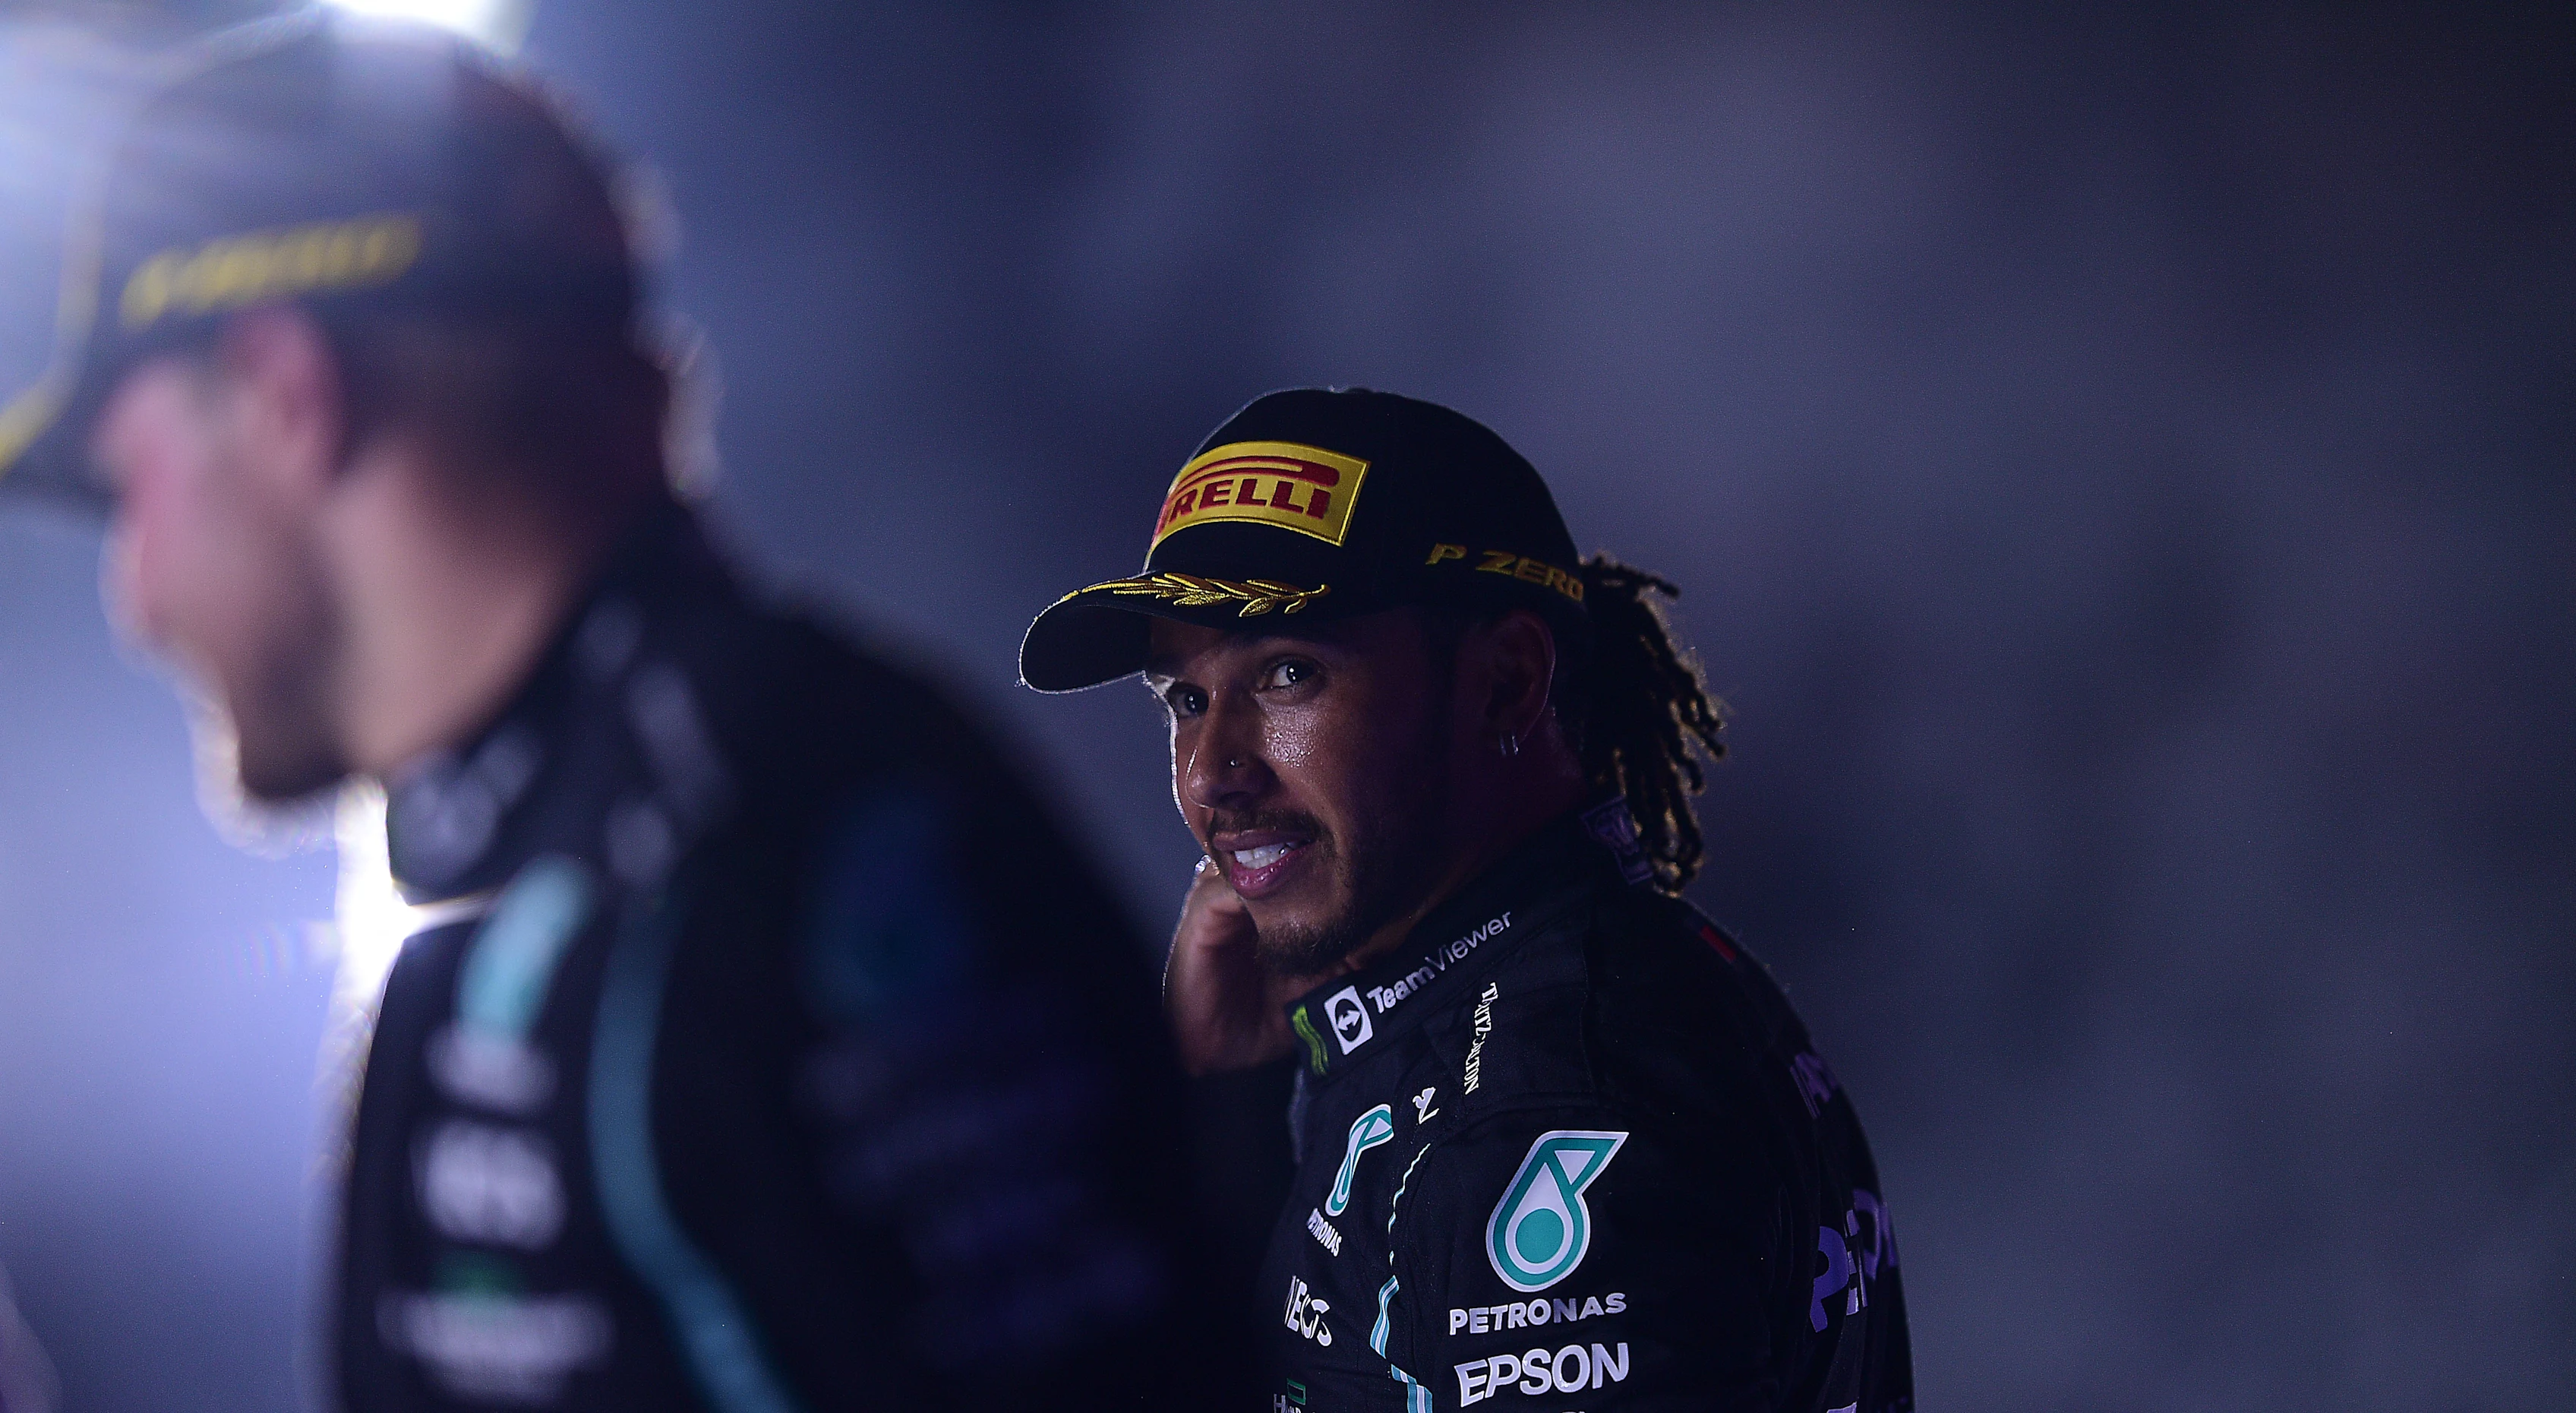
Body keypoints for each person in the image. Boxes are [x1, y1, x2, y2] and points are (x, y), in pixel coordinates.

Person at [0, 15, 1233, 1411]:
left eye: (130, 491)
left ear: (290, 400)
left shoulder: (791, 844)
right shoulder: (549, 878)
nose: (135, 595)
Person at [1020, 389, 1914, 1411]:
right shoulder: (1520, 1004)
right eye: (1186, 698)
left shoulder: (1535, 1109)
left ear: (1505, 682)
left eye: (1287, 672)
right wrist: (1236, 1103)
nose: (1213, 771)